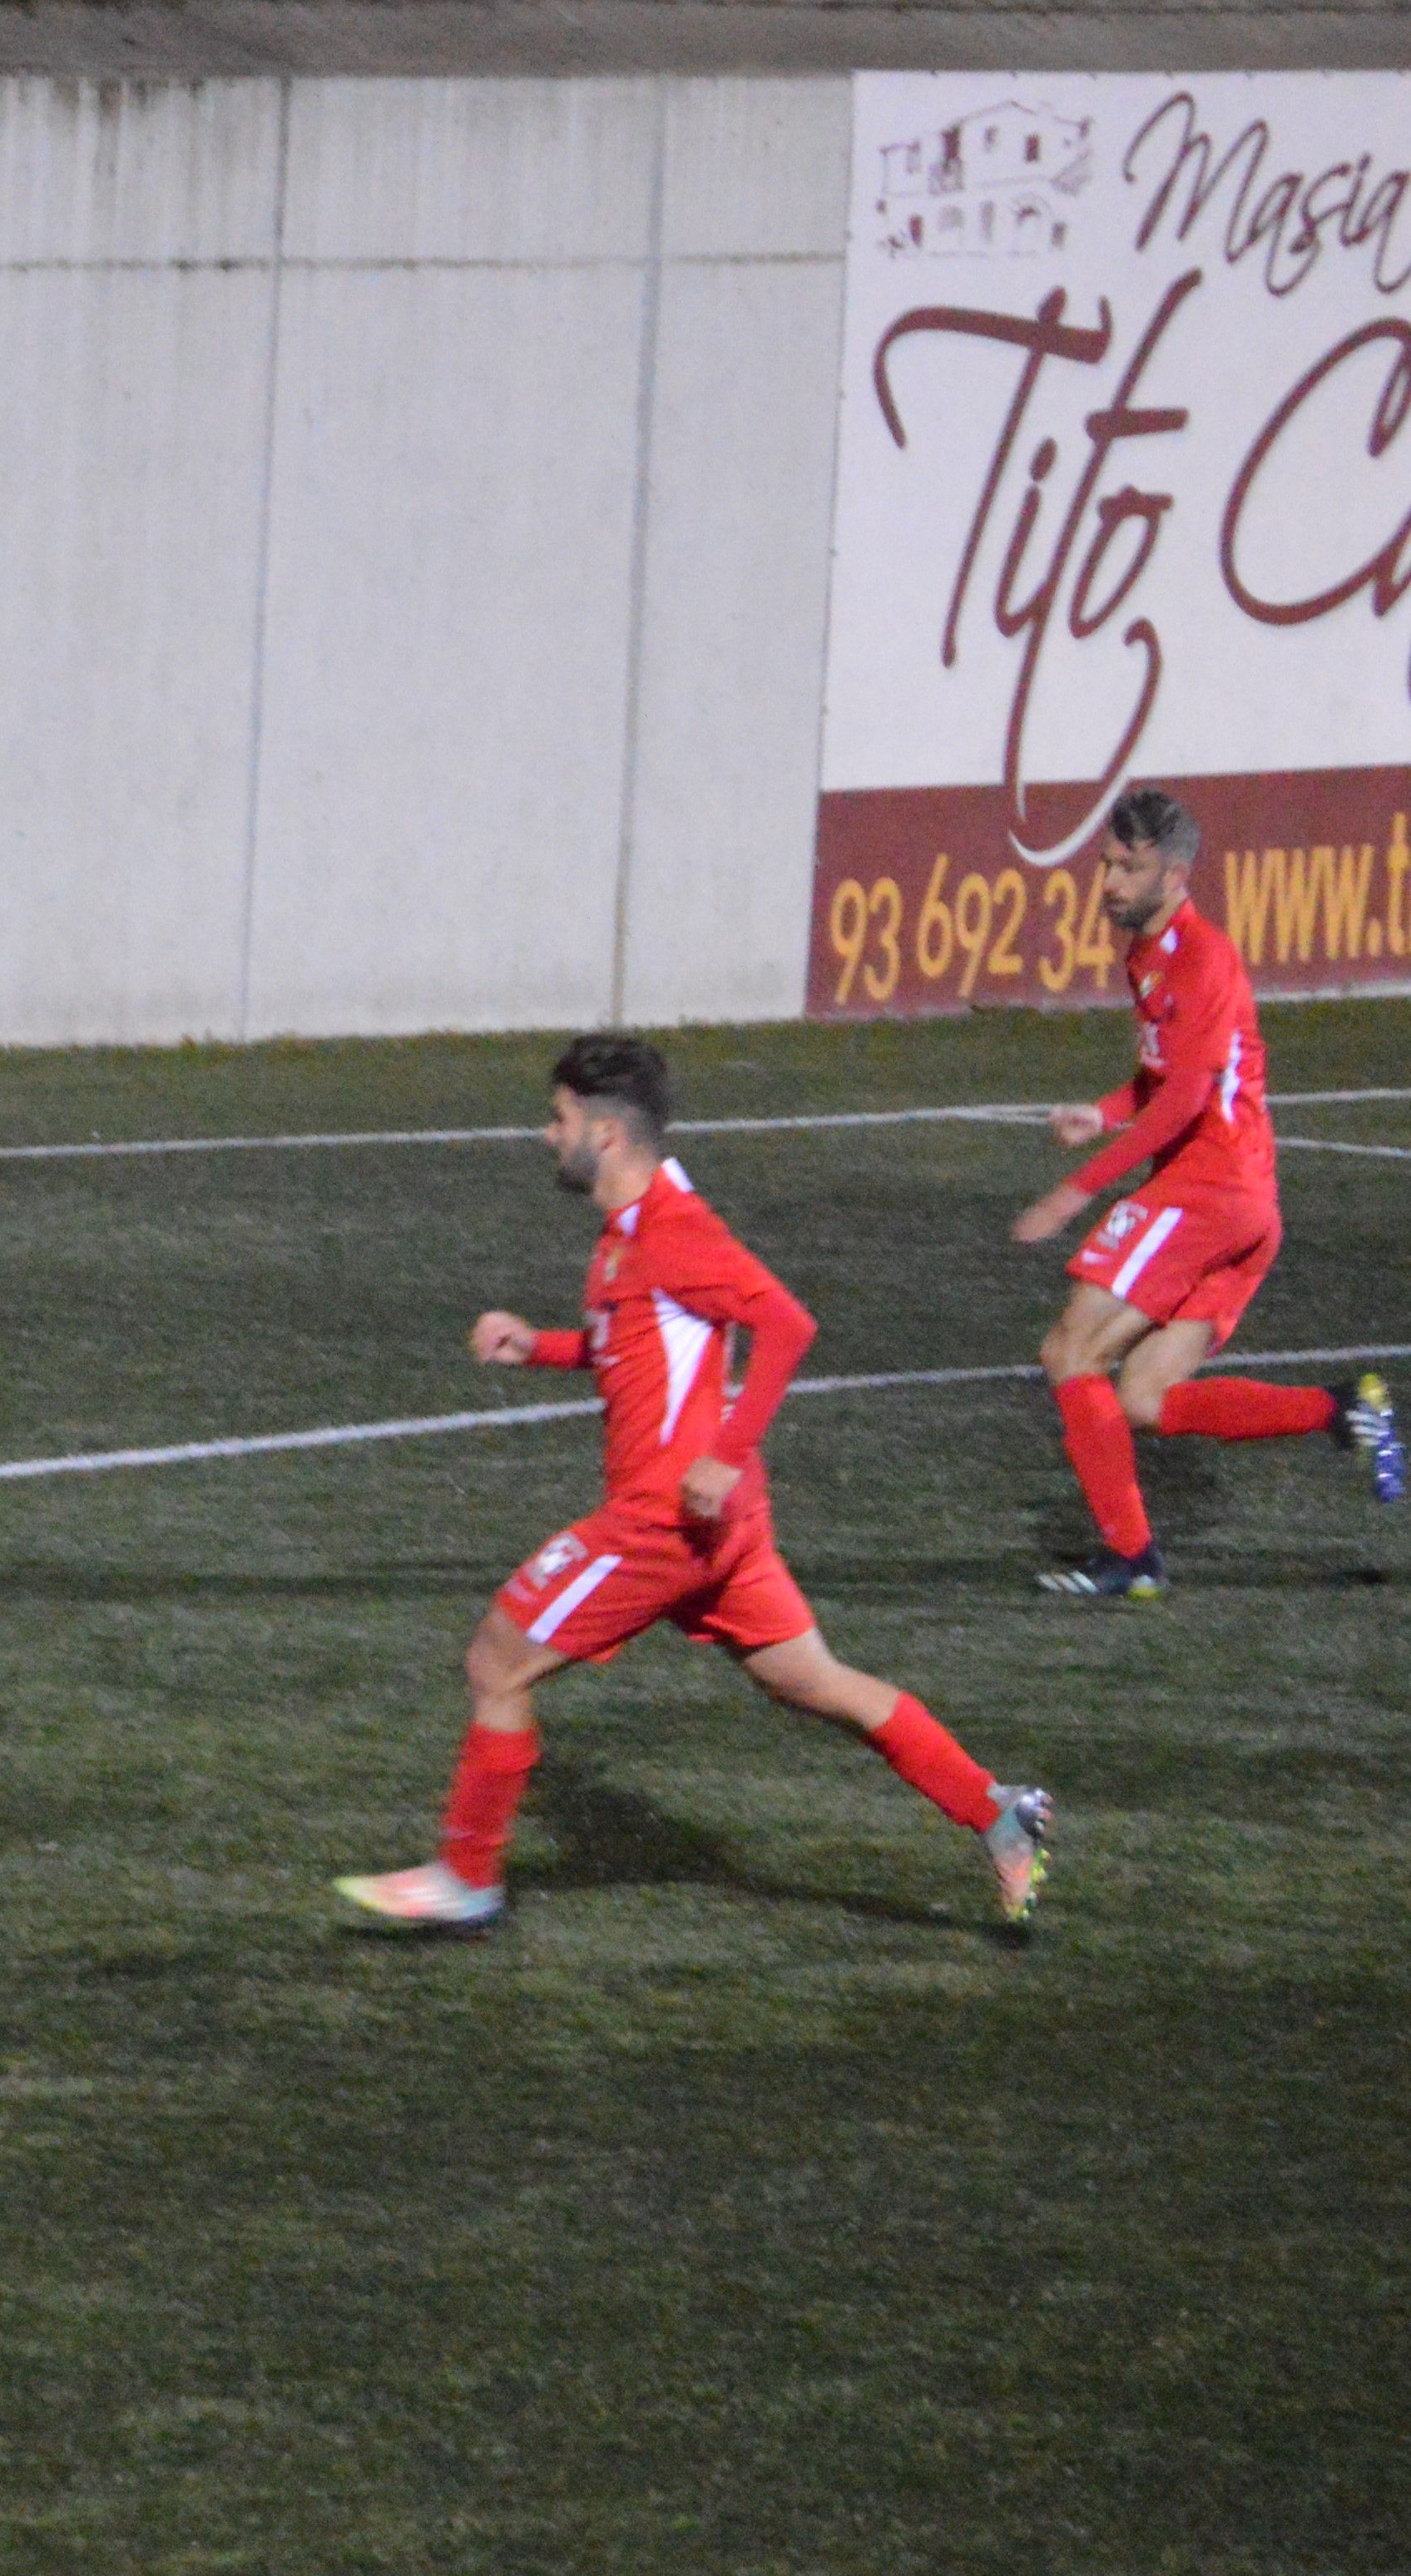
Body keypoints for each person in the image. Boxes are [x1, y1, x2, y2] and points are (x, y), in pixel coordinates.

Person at [338, 1034, 1054, 1934]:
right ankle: (998, 1810)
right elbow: (628, 1349)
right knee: (813, 1682)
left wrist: (724, 1449)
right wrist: (540, 1345)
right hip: (725, 1527)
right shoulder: (624, 1235)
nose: (545, 1136)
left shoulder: (675, 1228)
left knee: (496, 1660)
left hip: (668, 1517)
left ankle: (467, 1875)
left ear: (604, 1129)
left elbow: (788, 1325)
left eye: (557, 1119)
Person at [1012, 785, 1400, 1597]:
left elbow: (1190, 1100)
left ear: (1177, 873)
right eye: (1107, 863)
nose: (1109, 882)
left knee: (1069, 1350)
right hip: (1243, 1200)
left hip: (1211, 1185)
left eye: (1129, 867)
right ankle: (1343, 1409)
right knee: (1147, 1398)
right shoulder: (1145, 953)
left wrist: (1075, 1190)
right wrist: (1105, 1110)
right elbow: (1167, 1078)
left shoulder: (1202, 958)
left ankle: (1132, 1559)